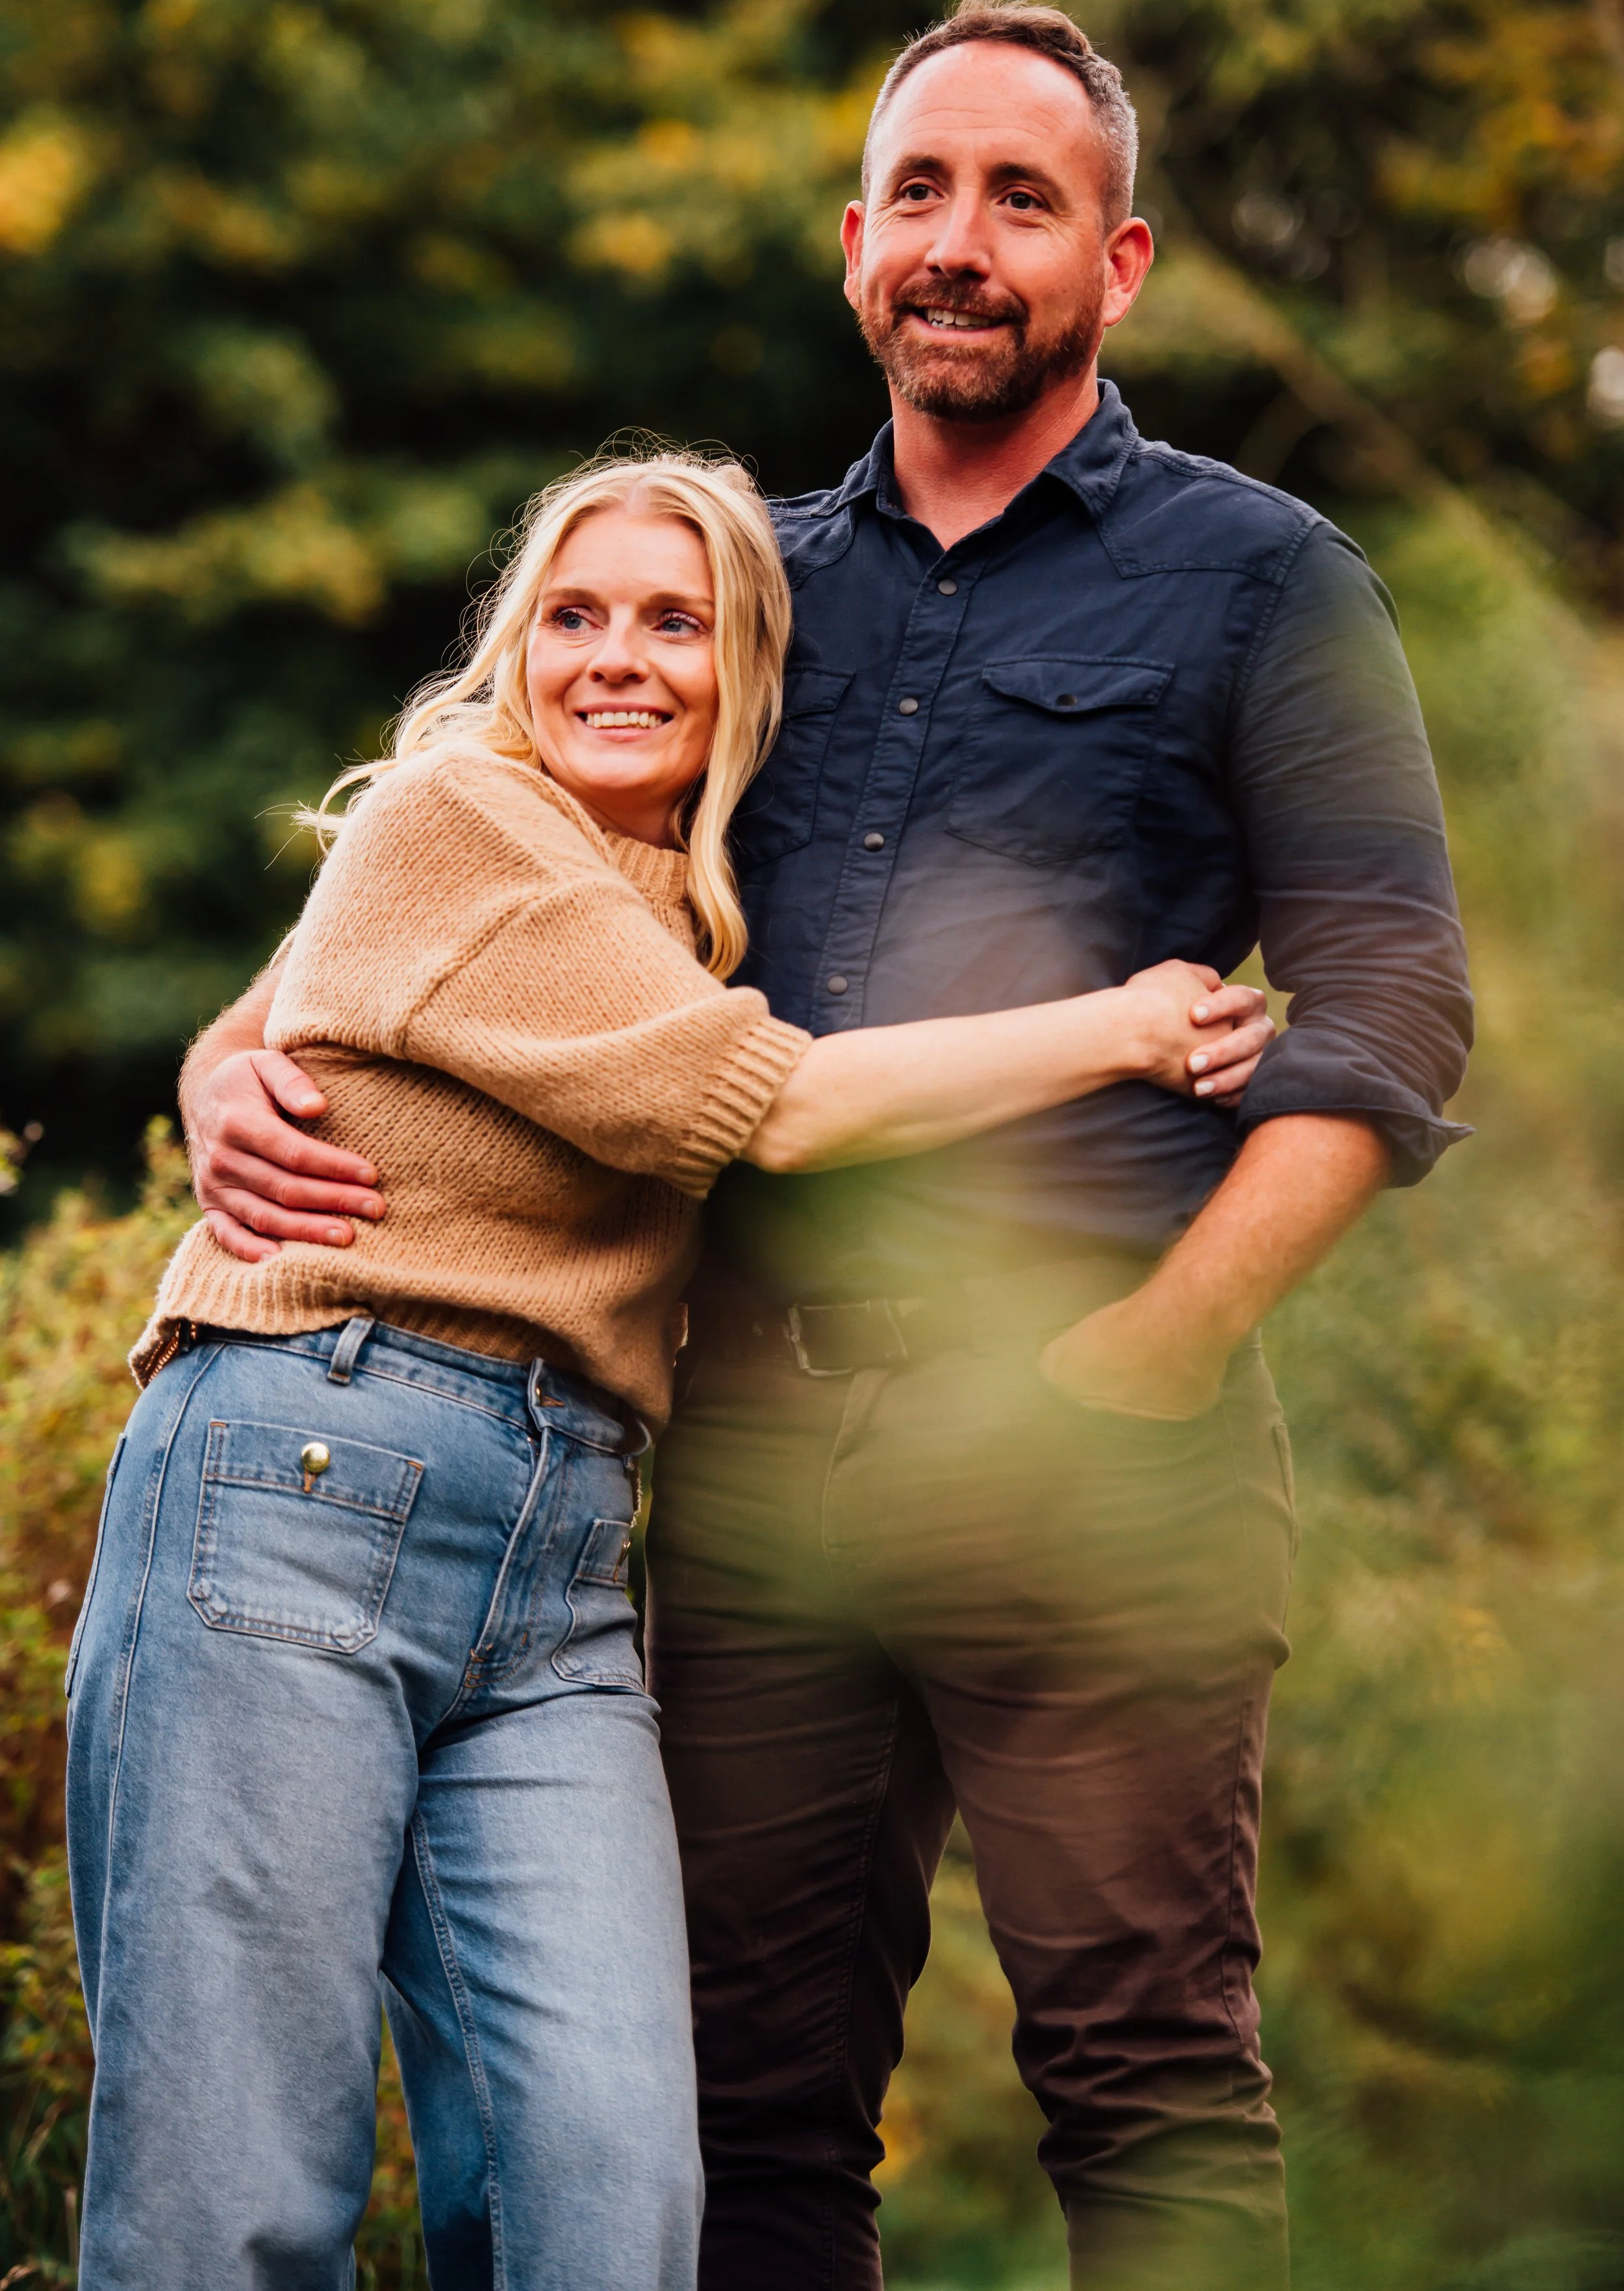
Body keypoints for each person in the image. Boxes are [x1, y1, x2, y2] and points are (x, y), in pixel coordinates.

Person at [180, 0, 1473, 2291]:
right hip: (756, 1447)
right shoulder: (736, 589)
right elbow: (455, 848)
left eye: (1019, 198)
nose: (957, 242)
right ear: (849, 243)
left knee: (1147, 2084)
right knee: (745, 2106)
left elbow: (1388, 1014)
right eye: (916, 194)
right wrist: (227, 1044)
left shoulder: (1265, 581)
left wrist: (1161, 1357)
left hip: (1101, 1427)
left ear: (1124, 258)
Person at [69, 447, 1274, 2291]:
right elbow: (771, 1105)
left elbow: (306, 989)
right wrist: (1118, 1021)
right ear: (506, 650)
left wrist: (227, 1041)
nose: (615, 657)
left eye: (673, 620)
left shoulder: (694, 904)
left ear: (748, 674)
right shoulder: (470, 817)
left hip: (566, 1557)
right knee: (239, 2193)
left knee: (618, 2185)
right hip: (305, 1464)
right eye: (569, 614)